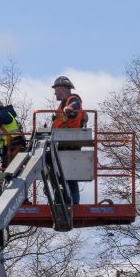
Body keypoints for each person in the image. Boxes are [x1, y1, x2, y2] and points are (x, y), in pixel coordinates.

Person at [51, 76, 86, 204]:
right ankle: (60, 201)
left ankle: (73, 204)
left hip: (69, 142)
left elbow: (75, 105)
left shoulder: (73, 100)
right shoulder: (62, 105)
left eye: (56, 89)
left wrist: (70, 108)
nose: (55, 92)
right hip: (61, 142)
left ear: (63, 88)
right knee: (60, 175)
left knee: (70, 176)